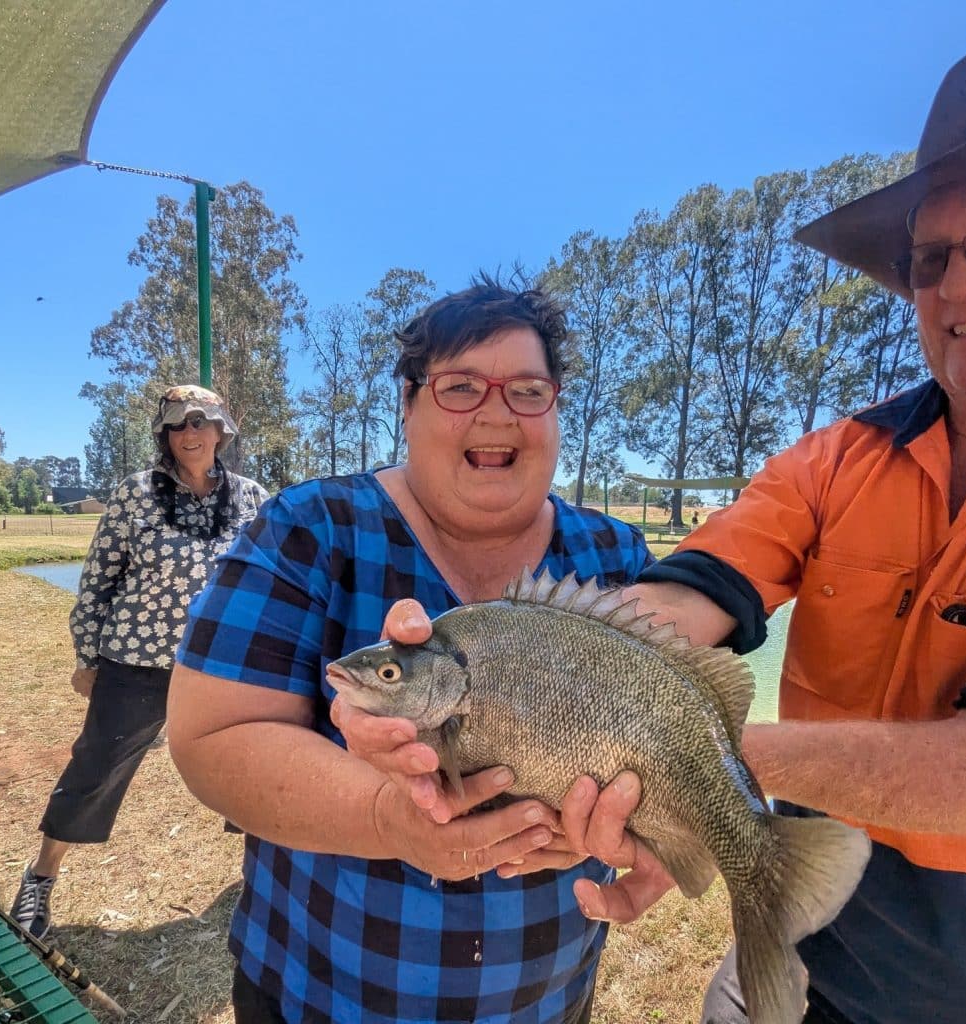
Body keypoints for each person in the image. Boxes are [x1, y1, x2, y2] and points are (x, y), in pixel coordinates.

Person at [338, 44, 966, 1024]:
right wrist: (554, 677)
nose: (956, 285)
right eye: (927, 258)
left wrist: (685, 766)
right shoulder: (834, 458)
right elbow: (694, 590)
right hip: (799, 952)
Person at [166, 277, 655, 1024]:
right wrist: (389, 819)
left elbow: (674, 738)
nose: (497, 412)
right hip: (318, 996)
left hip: (549, 1002)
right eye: (460, 387)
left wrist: (672, 835)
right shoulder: (310, 528)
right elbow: (210, 739)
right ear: (408, 404)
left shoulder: (616, 556)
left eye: (528, 389)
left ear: (557, 408)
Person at [10, 384, 269, 939]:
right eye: (178, 424)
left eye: (202, 422)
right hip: (138, 660)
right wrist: (88, 654)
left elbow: (275, 580)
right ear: (165, 435)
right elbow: (98, 582)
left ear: (222, 430)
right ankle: (40, 876)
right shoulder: (135, 496)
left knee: (249, 764)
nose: (191, 434)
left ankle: (263, 875)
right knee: (97, 765)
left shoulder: (253, 498)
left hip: (223, 665)